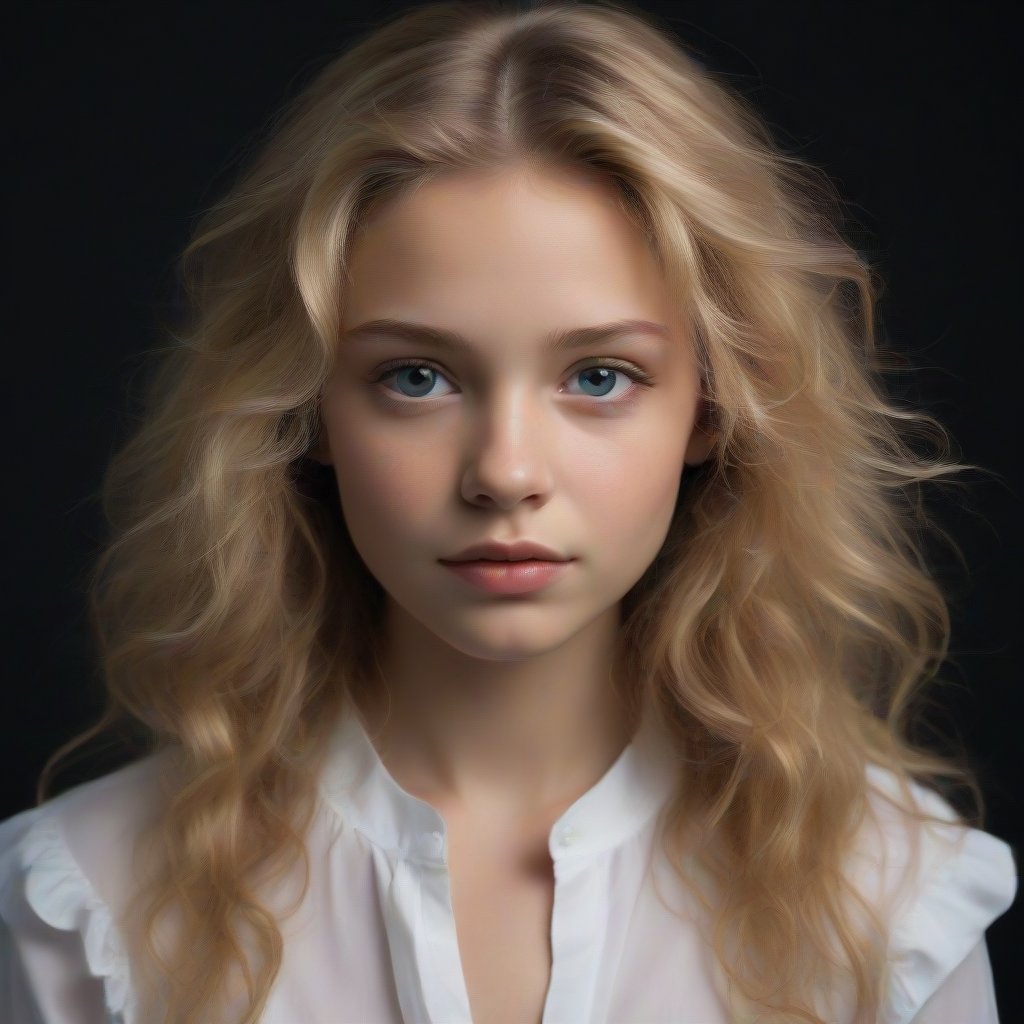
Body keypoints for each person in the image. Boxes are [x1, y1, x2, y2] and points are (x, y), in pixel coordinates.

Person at [0, 1, 1016, 1022]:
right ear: (304, 406)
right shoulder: (94, 905)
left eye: (602, 376)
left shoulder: (888, 908)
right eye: (417, 377)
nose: (505, 471)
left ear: (712, 406)